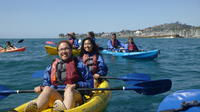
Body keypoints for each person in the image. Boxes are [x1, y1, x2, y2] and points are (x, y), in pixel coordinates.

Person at [24, 40, 93, 112]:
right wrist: (41, 88)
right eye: (61, 50)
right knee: (47, 88)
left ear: (71, 50)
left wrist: (76, 85)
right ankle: (35, 110)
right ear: (58, 52)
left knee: (69, 90)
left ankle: (64, 110)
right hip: (58, 97)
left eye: (66, 49)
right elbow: (46, 83)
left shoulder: (79, 65)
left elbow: (90, 84)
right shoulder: (52, 66)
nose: (64, 52)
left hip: (75, 95)